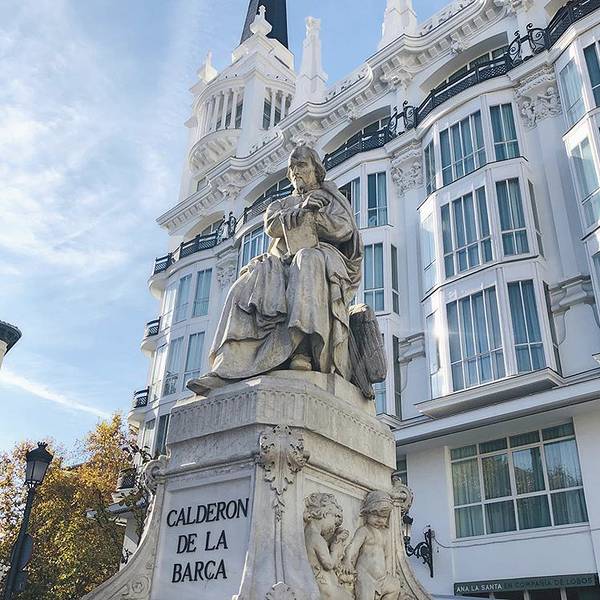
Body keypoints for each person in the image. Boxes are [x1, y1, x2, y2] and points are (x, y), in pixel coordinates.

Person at [189, 145, 362, 394]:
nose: (295, 172)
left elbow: (343, 229)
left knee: (307, 259)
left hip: (321, 256)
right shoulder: (281, 203)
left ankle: (302, 350)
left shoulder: (331, 198)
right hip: (281, 261)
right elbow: (272, 225)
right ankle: (228, 365)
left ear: (316, 169)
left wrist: (315, 216)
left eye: (301, 165)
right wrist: (301, 210)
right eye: (291, 168)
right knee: (242, 286)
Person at [340, 491, 402, 600]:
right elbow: (353, 547)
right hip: (366, 576)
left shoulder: (386, 533)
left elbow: (388, 555)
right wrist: (347, 561)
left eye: (383, 517)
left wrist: (388, 571)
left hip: (382, 578)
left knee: (394, 586)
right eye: (375, 515)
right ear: (367, 512)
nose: (379, 520)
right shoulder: (364, 530)